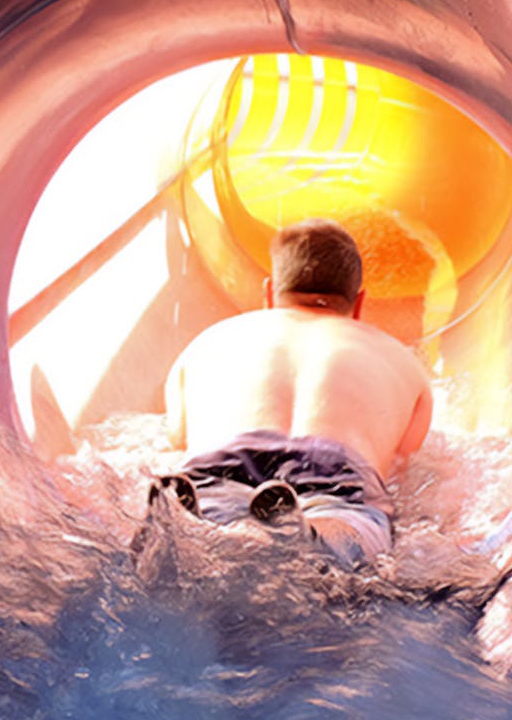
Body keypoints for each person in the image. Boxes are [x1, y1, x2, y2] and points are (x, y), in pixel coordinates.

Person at [158, 218, 432, 565]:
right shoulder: (401, 360)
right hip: (336, 467)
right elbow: (403, 459)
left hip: (222, 459)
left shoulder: (207, 343)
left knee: (212, 492)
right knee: (351, 520)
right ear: (358, 303)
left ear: (269, 291)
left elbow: (176, 437)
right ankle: (316, 534)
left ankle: (192, 516)